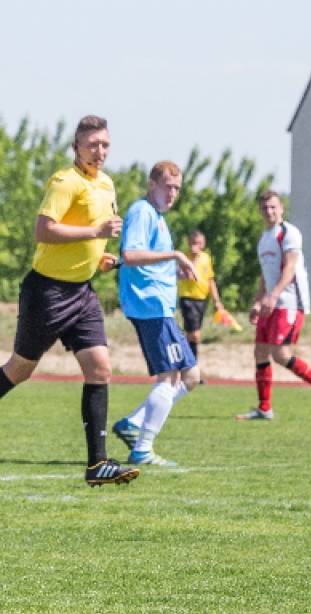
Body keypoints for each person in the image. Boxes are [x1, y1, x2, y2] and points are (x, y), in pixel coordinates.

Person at [0, 115, 138, 487]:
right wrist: (96, 231)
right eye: (92, 145)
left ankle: (97, 464)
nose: (99, 151)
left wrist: (98, 257)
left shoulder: (107, 184)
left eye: (105, 145)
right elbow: (43, 230)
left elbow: (88, 237)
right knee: (20, 369)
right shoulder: (65, 182)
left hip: (82, 292)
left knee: (100, 368)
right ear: (76, 147)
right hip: (46, 292)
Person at [110, 161, 201, 467]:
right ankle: (142, 449)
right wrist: (175, 255)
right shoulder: (142, 211)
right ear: (152, 185)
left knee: (191, 376)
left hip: (160, 307)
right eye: (167, 187)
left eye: (177, 188)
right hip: (150, 307)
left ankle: (133, 423)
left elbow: (146, 261)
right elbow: (130, 255)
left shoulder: (157, 218)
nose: (172, 193)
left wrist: (173, 271)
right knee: (171, 376)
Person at [236, 190, 311, 421]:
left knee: (281, 354)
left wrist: (273, 296)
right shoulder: (263, 238)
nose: (269, 211)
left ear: (282, 208)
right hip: (270, 302)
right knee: (260, 351)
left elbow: (289, 268)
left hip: (290, 302)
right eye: (265, 208)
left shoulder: (289, 233)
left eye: (273, 207)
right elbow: (265, 275)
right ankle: (264, 408)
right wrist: (258, 301)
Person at [176, 230, 225, 381]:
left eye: (198, 243)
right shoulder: (183, 258)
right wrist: (194, 259)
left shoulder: (206, 258)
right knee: (195, 335)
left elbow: (210, 280)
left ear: (203, 244)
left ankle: (186, 369)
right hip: (187, 298)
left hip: (202, 300)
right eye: (193, 243)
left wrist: (217, 301)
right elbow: (187, 275)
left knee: (191, 336)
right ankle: (192, 370)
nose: (195, 246)